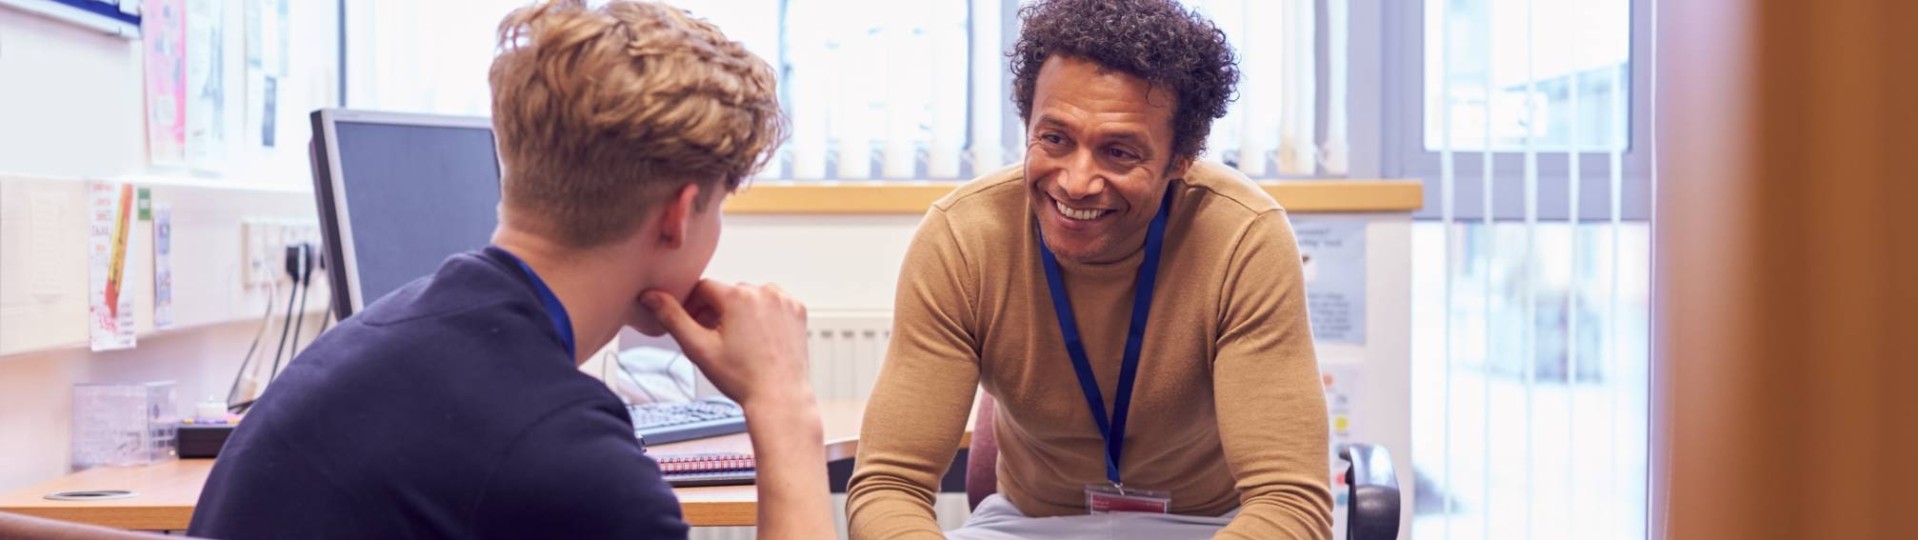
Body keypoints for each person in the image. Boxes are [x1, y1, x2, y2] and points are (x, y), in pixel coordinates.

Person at [188, 1, 833, 538]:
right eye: (720, 207)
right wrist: (783, 406)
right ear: (681, 213)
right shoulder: (561, 455)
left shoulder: (372, 343)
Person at [844, 0, 1334, 538]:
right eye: (1054, 139)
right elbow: (890, 484)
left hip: (1212, 524)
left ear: (1181, 157)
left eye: (1119, 152)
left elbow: (1288, 501)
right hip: (1031, 524)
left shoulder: (1243, 238)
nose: (1076, 182)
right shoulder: (964, 238)